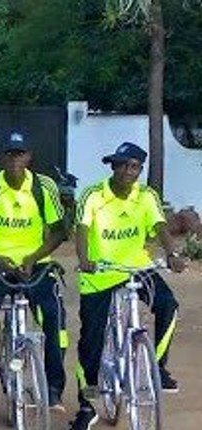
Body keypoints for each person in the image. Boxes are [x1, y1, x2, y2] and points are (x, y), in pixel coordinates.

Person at [68, 142, 185, 430]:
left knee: (168, 305)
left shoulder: (146, 196)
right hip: (100, 274)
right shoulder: (93, 196)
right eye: (120, 165)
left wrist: (173, 253)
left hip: (137, 268)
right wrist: (84, 259)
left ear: (140, 170)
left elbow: (159, 227)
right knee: (91, 344)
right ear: (113, 167)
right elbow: (81, 229)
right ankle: (87, 405)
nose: (126, 171)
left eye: (132, 166)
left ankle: (156, 366)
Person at [0, 131, 68, 429]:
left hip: (36, 265)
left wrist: (33, 258)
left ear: (29, 156)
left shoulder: (43, 188)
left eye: (20, 154)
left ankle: (54, 389)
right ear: (2, 157)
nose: (15, 160)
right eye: (10, 154)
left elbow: (60, 231)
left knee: (55, 318)